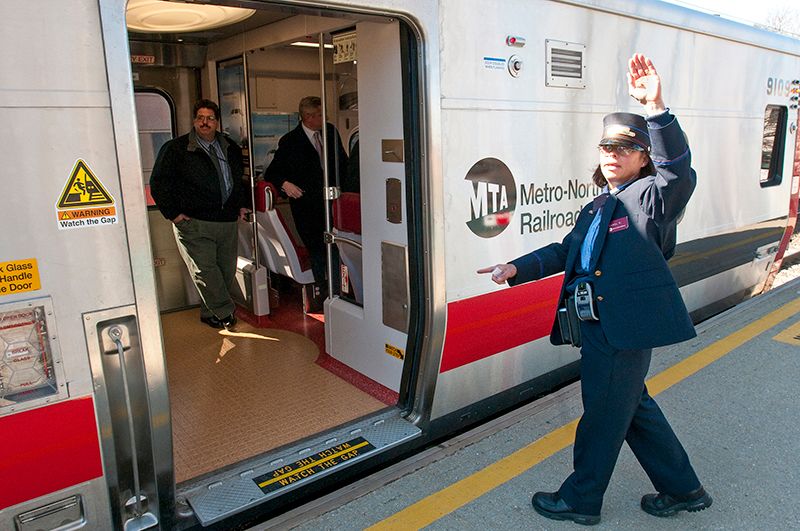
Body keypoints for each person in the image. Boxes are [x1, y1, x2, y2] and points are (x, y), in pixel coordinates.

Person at [478, 54, 712, 525]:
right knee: (634, 409)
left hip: (622, 329)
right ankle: (684, 490)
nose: (613, 154)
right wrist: (515, 268)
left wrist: (657, 109)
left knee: (602, 417)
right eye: (607, 146)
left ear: (644, 158)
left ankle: (581, 500)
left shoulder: (651, 198)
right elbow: (567, 251)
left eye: (626, 148)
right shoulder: (599, 205)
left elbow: (678, 173)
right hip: (599, 325)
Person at [150, 99, 249, 330]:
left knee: (225, 270)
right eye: (200, 118)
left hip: (226, 221)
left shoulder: (230, 147)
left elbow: (237, 180)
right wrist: (174, 214)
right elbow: (159, 183)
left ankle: (209, 312)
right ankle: (225, 312)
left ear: (217, 122)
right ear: (194, 121)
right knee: (205, 271)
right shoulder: (176, 149)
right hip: (194, 222)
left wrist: (241, 205)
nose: (205, 122)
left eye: (210, 118)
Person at [263, 96, 348, 287]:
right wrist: (286, 184)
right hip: (307, 208)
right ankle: (323, 291)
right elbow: (272, 172)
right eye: (321, 114)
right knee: (317, 251)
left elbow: (343, 164)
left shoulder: (330, 132)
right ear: (309, 117)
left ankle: (338, 291)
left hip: (333, 203)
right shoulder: (290, 141)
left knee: (337, 248)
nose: (325, 118)